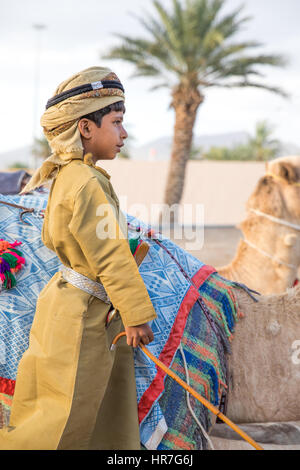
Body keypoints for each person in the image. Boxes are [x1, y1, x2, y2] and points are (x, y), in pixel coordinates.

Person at [0, 66, 157, 450]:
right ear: (86, 128)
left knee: (87, 406)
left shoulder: (72, 175)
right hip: (82, 314)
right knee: (63, 414)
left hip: (73, 303)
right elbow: (110, 256)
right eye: (117, 123)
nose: (123, 134)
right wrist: (136, 315)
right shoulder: (86, 182)